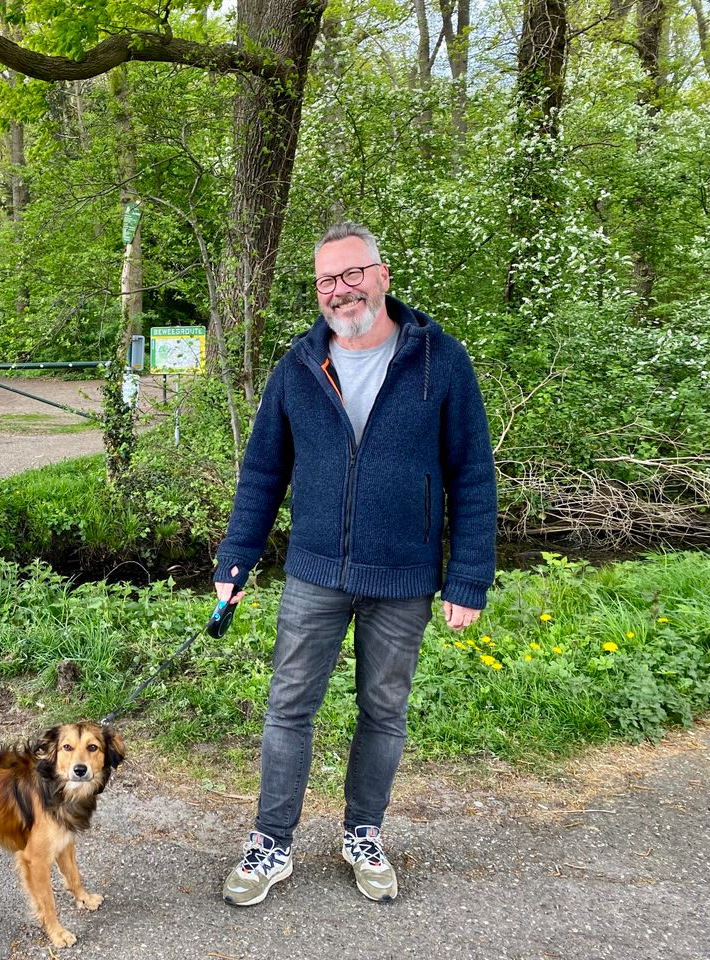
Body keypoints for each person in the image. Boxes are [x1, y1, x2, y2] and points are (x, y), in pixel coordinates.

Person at [214, 221, 497, 906]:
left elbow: (473, 476)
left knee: (384, 710)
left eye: (351, 274)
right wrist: (236, 558)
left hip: (403, 579)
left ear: (382, 275)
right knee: (288, 709)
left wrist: (468, 576)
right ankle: (271, 843)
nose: (340, 291)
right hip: (313, 573)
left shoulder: (441, 361)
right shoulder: (298, 366)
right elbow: (262, 472)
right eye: (326, 281)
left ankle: (362, 832)